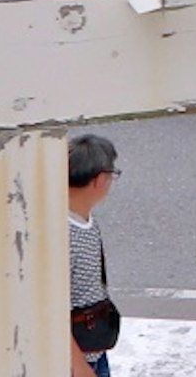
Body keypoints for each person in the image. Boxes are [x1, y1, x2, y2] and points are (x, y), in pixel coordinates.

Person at [65, 133, 121, 377]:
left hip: (93, 349)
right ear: (100, 179)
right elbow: (52, 310)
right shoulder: (63, 234)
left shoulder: (85, 220)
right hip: (77, 362)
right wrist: (80, 369)